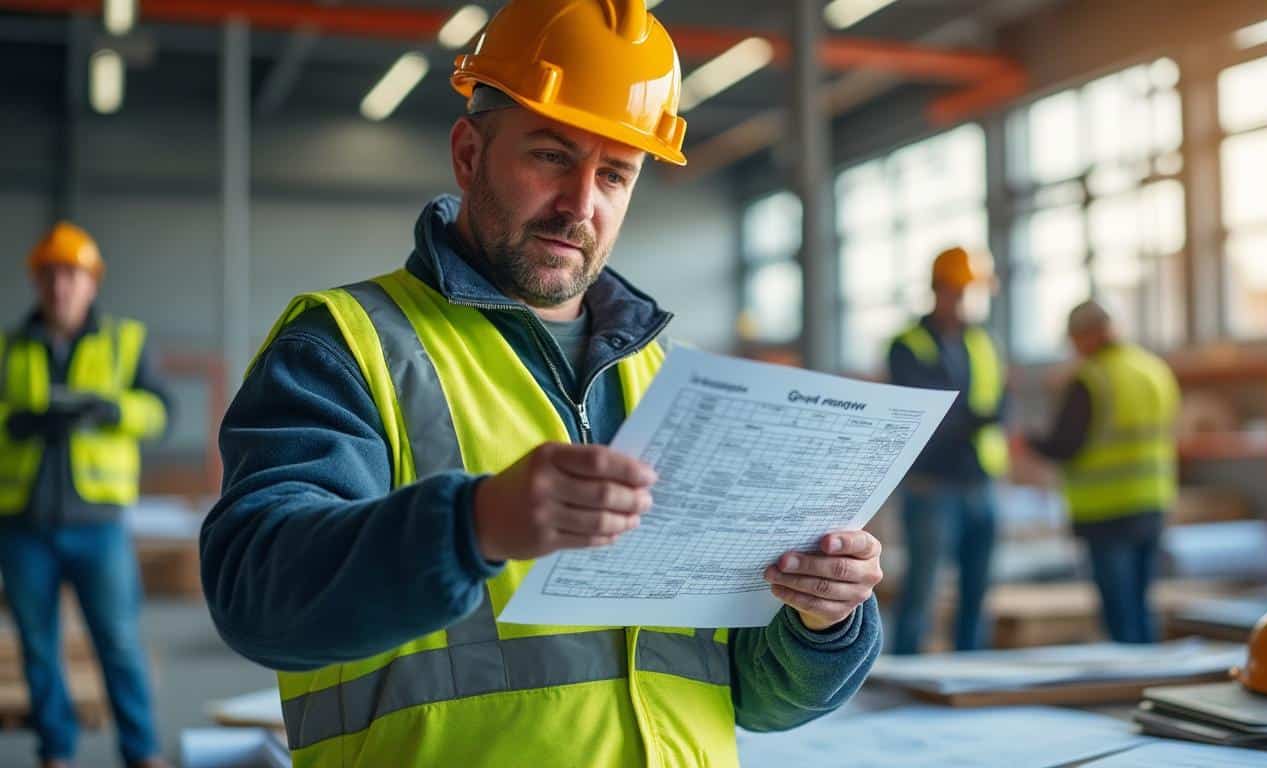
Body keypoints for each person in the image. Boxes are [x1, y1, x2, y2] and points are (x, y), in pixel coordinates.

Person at [200, 1, 882, 765]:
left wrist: (823, 619)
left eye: (615, 174)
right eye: (552, 156)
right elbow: (257, 598)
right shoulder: (347, 347)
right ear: (468, 154)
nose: (579, 205)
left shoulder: (678, 386)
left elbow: (753, 699)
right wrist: (472, 525)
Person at [0, 222, 170, 768]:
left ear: (91, 282)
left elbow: (162, 413)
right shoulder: (10, 348)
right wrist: (16, 422)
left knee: (119, 643)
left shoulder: (127, 341)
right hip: (24, 524)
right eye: (50, 275)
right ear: (37, 282)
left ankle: (141, 754)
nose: (60, 287)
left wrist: (113, 411)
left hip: (98, 525)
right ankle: (56, 752)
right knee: (38, 648)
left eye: (71, 275)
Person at [1017, 300, 1178, 644]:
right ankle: (1148, 671)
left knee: (1118, 612)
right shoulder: (1154, 370)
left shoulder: (1092, 379)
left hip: (1107, 511)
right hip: (1152, 501)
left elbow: (1066, 444)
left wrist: (1028, 442)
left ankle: (1129, 679)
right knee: (1141, 603)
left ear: (1087, 335)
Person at [887, 246, 1007, 654]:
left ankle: (969, 671)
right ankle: (903, 670)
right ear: (941, 290)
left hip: (980, 481)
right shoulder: (909, 344)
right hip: (931, 485)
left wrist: (967, 416)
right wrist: (972, 417)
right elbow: (930, 410)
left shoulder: (983, 341)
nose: (967, 302)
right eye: (960, 292)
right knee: (922, 588)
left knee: (977, 591)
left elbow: (997, 404)